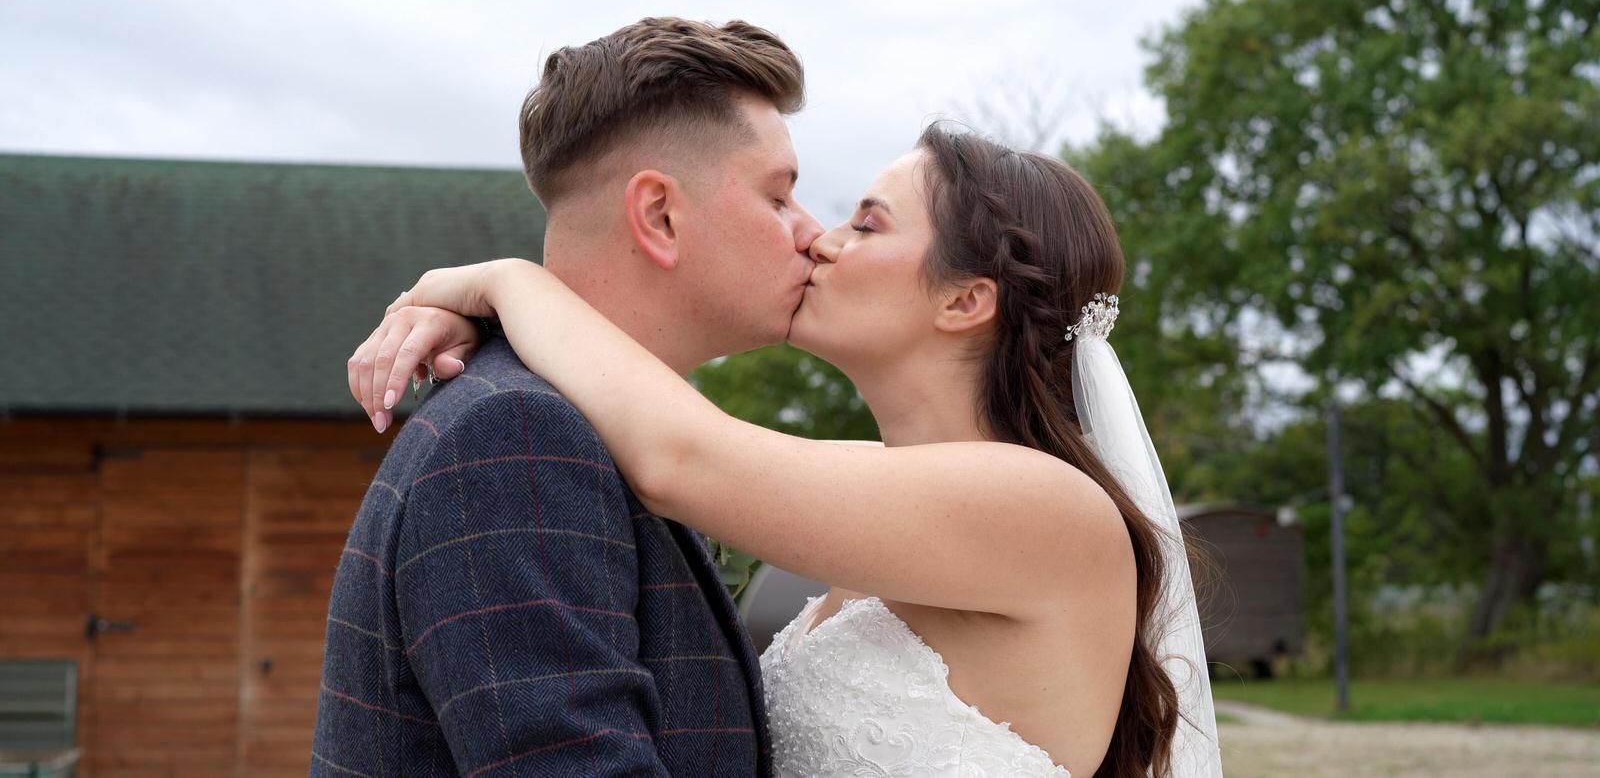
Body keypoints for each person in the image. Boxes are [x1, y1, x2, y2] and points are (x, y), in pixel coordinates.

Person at [347, 126, 1224, 776]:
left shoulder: (1045, 507)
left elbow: (680, 457)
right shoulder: (859, 503)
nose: (820, 240)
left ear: (965, 300)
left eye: (867, 225)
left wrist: (510, 281)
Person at [313, 17, 825, 777]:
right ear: (659, 216)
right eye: (778, 197)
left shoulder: (563, 425)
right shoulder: (515, 436)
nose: (812, 233)